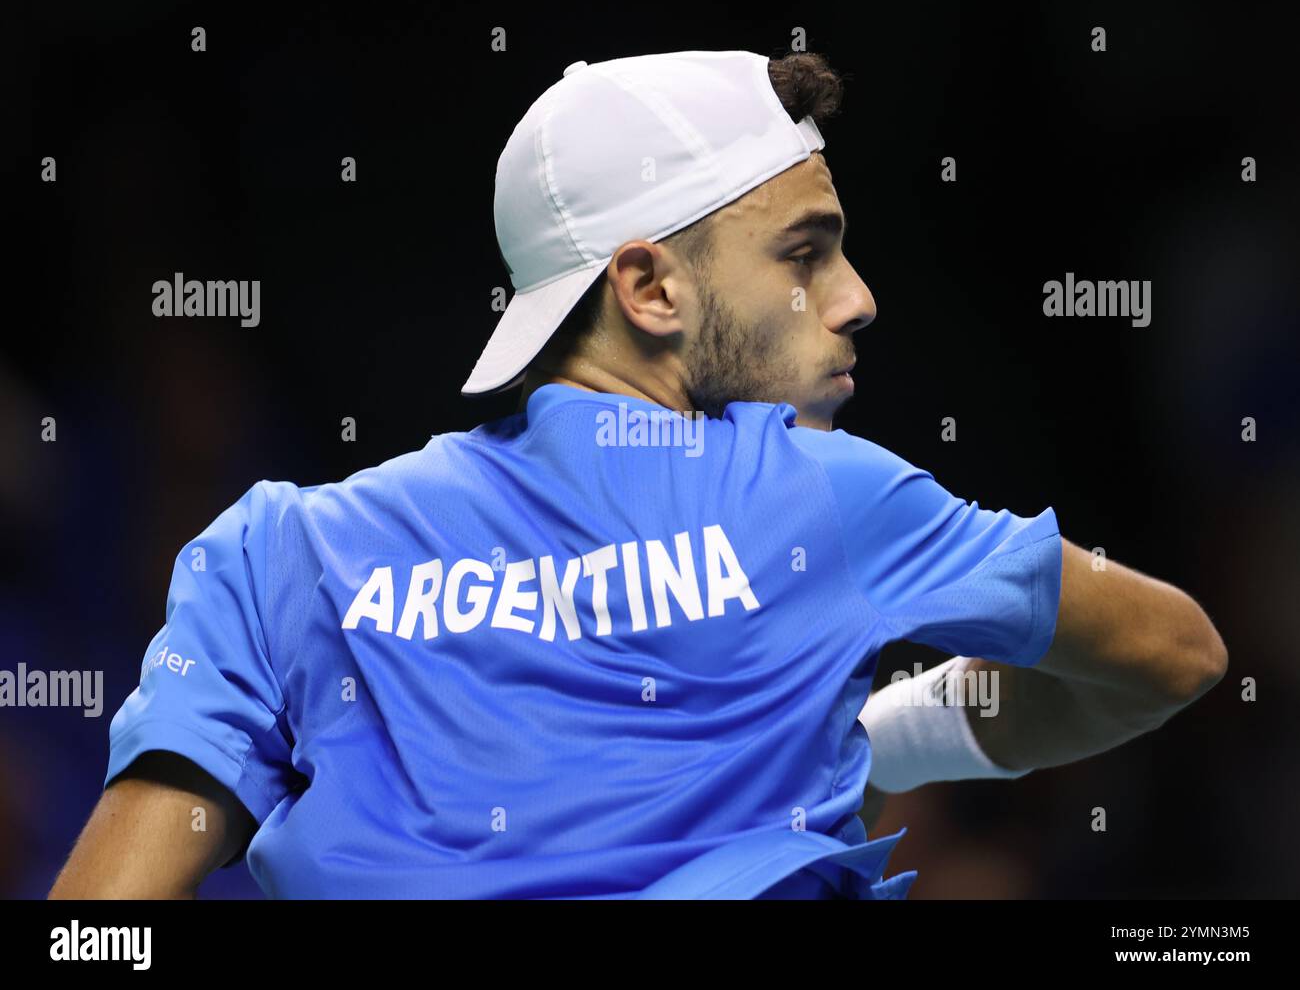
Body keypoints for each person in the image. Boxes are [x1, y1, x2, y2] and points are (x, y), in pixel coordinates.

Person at [50, 50, 1227, 900]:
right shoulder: (823, 496)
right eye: (804, 254)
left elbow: (96, 932)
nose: (857, 298)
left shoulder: (281, 550)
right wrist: (893, 736)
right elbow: (1175, 654)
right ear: (650, 289)